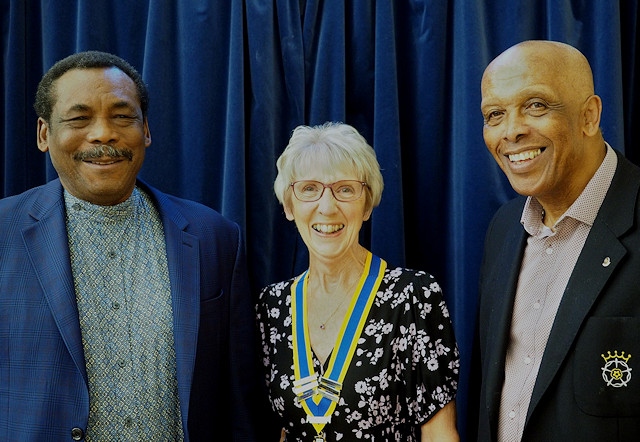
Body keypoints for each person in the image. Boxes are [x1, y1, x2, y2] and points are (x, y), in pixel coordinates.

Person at [0, 50, 262, 441]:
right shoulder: (4, 232)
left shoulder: (215, 238)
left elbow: (241, 405)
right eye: (79, 118)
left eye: (123, 116)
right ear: (44, 134)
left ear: (147, 131)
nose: (104, 133)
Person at [473, 40, 640, 441]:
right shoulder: (501, 229)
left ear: (589, 115)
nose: (511, 130)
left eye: (536, 106)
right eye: (495, 114)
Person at [255, 122, 460, 441]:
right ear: (288, 206)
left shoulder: (413, 298)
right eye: (309, 189)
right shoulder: (272, 306)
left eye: (345, 189)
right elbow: (286, 429)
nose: (327, 207)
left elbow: (439, 434)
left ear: (367, 204)